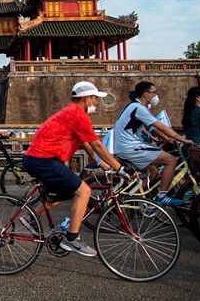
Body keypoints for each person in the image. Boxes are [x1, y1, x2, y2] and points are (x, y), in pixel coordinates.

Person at [21, 81, 130, 257]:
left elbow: (86, 144)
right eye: (95, 98)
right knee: (84, 192)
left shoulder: (71, 112)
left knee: (70, 190)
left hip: (38, 159)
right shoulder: (78, 115)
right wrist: (119, 168)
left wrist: (102, 164)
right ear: (86, 98)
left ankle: (31, 217)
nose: (96, 102)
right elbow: (97, 145)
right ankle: (71, 239)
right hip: (45, 160)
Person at [112, 81, 193, 206]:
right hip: (131, 147)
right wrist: (183, 139)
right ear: (146, 94)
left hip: (124, 147)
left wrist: (167, 139)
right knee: (171, 160)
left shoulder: (133, 106)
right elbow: (162, 126)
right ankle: (162, 196)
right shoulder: (139, 108)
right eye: (154, 92)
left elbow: (153, 128)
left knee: (153, 173)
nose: (156, 95)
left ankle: (128, 197)